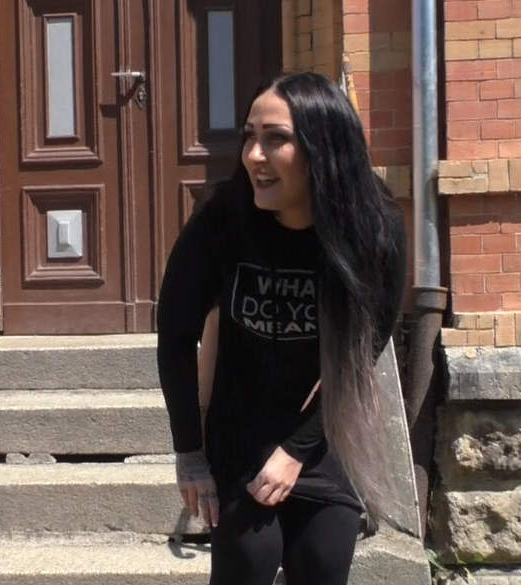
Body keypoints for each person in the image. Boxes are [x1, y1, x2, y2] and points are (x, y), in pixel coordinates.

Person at [156, 71, 407, 585]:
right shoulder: (223, 218)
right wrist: (190, 454)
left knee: (321, 561)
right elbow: (176, 335)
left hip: (326, 429)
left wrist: (296, 450)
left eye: (276, 139)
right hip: (240, 432)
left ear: (323, 148)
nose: (254, 155)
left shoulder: (373, 226)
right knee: (249, 559)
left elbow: (364, 352)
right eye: (249, 136)